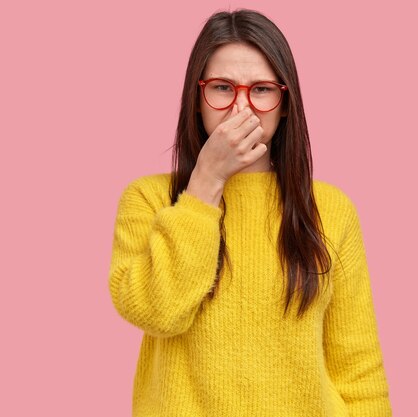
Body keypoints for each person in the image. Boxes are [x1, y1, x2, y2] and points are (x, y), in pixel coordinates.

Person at [108, 8, 392, 417]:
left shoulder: (331, 209)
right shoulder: (149, 199)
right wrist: (204, 185)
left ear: (284, 103)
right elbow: (156, 311)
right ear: (197, 97)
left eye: (261, 90)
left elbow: (359, 368)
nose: (242, 107)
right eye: (223, 87)